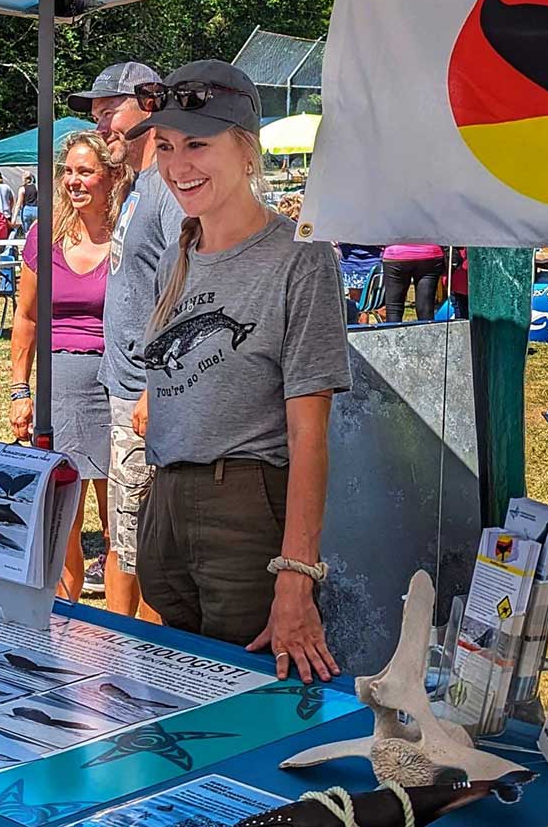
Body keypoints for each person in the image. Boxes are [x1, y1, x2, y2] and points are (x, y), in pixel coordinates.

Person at [128, 60, 352, 683]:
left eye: (198, 144)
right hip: (164, 498)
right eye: (167, 146)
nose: (179, 165)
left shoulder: (300, 260)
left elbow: (310, 432)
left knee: (251, 692)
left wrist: (296, 576)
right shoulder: (178, 256)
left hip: (245, 507)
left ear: (246, 149)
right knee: (177, 687)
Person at [68, 61, 182, 621]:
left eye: (110, 109)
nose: (101, 121)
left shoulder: (168, 188)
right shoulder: (139, 187)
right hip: (125, 389)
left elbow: (184, 290)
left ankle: (145, 661)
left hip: (146, 395)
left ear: (151, 105)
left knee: (144, 546)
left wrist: (155, 388)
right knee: (124, 540)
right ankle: (120, 649)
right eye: (96, 112)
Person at [9, 132, 128, 600]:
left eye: (86, 171)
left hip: (117, 384)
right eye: (68, 171)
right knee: (63, 517)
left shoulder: (127, 235)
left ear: (110, 176)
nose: (74, 181)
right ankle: (65, 617)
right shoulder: (46, 236)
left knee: (121, 517)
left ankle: (122, 628)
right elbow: (26, 317)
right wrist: (20, 391)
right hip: (58, 387)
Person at [380, 242, 446, 322]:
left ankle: (392, 333)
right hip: (429, 252)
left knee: (394, 308)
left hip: (395, 253)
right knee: (426, 307)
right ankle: (427, 333)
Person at [13, 172, 39, 236]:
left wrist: (14, 217)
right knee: (36, 230)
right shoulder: (36, 187)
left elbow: (19, 203)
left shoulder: (22, 189)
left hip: (26, 210)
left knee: (27, 232)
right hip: (36, 209)